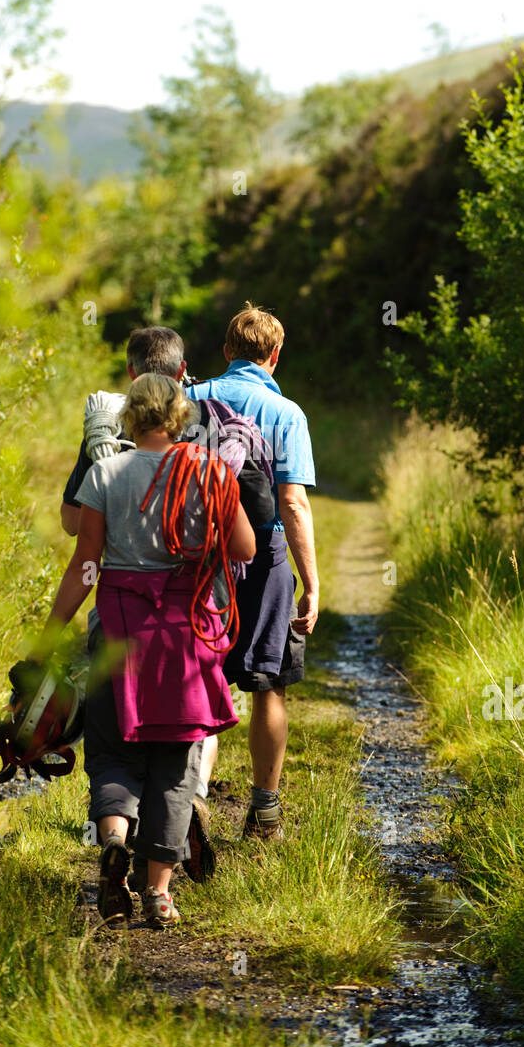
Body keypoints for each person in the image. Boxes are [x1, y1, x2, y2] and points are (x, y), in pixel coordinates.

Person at [36, 373, 255, 927]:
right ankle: (158, 893)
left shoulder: (105, 473)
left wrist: (51, 630)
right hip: (186, 636)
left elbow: (85, 564)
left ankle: (113, 840)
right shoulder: (205, 472)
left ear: (128, 419)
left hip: (118, 634)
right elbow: (244, 547)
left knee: (112, 751)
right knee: (176, 764)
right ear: (180, 417)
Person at [187, 303, 318, 840]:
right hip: (263, 556)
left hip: (196, 557)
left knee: (201, 679)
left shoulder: (187, 400)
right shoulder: (286, 413)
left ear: (225, 352)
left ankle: (190, 796)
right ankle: (264, 810)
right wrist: (310, 582)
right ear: (275, 355)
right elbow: (292, 502)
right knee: (269, 682)